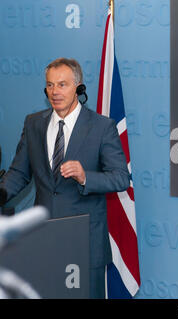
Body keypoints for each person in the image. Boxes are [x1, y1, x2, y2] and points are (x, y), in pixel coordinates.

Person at [0, 58, 130, 298]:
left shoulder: (102, 127)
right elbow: (19, 172)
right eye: (50, 85)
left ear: (78, 88)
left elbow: (121, 178)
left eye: (62, 85)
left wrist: (85, 177)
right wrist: (2, 193)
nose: (54, 92)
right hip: (43, 241)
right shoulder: (33, 123)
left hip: (84, 243)